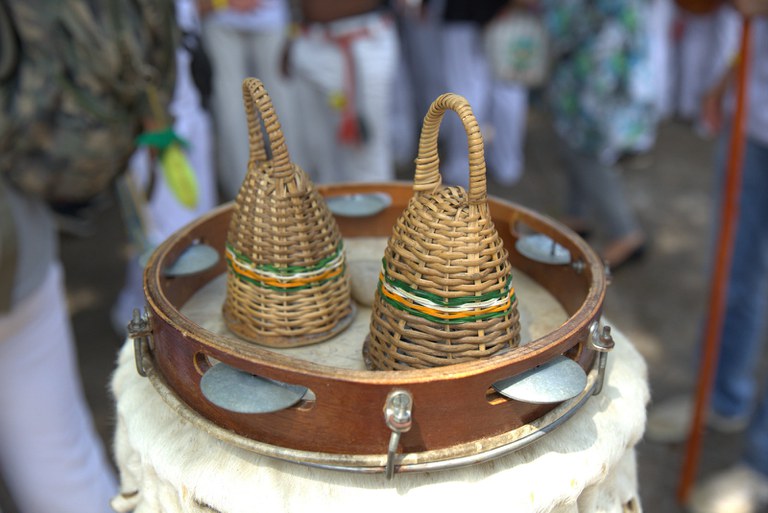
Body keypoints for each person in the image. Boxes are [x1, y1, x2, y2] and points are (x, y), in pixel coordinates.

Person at [646, 5, 768, 512]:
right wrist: (727, 76)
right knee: (732, 274)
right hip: (756, 120)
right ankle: (721, 397)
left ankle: (763, 469)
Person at [111, 0, 219, 334]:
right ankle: (157, 324)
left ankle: (153, 314)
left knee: (195, 228)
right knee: (166, 237)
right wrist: (152, 127)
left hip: (188, 112)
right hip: (155, 132)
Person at [539, 0, 657, 269]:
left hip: (598, 67)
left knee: (585, 149)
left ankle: (626, 233)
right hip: (593, 61)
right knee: (572, 141)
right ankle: (576, 218)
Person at [198, 0, 305, 199]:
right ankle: (247, 198)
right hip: (219, 16)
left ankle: (295, 189)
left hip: (267, 16)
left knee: (282, 106)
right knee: (231, 108)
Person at [286, 0, 399, 184]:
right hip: (309, 39)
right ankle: (325, 211)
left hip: (363, 41)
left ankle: (372, 210)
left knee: (366, 155)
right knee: (317, 153)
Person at [438, 0, 530, 188]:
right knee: (509, 89)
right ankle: (506, 165)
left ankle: (465, 169)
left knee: (469, 91)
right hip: (504, 11)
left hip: (467, 13)